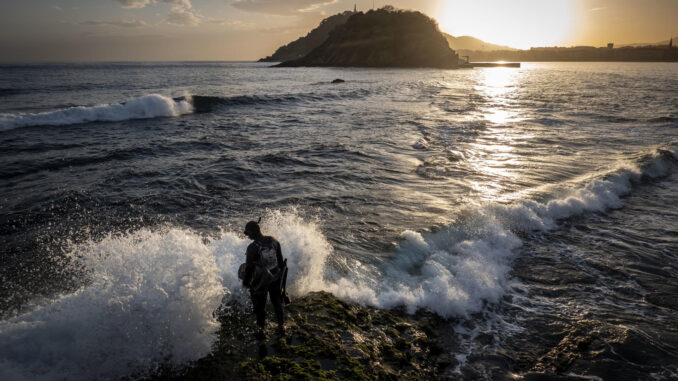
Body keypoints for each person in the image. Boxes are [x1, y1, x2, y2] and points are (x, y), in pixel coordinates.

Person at [242, 220, 285, 339]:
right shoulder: (274, 240)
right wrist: (281, 280)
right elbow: (281, 263)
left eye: (247, 232)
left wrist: (246, 283)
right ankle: (281, 326)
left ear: (253, 232)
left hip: (261, 281)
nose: (247, 235)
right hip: (275, 277)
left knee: (260, 306)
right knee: (276, 301)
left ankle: (261, 330)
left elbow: (249, 268)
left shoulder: (252, 248)